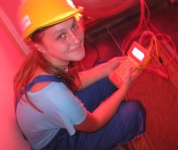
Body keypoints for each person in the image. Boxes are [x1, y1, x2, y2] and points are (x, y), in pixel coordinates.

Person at [14, 0, 146, 149]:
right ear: (40, 47)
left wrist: (107, 68)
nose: (76, 39)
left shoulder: (44, 60)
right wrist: (124, 90)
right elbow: (94, 123)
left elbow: (72, 82)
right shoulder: (53, 94)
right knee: (133, 112)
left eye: (74, 26)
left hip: (55, 118)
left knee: (106, 73)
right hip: (57, 143)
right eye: (61, 36)